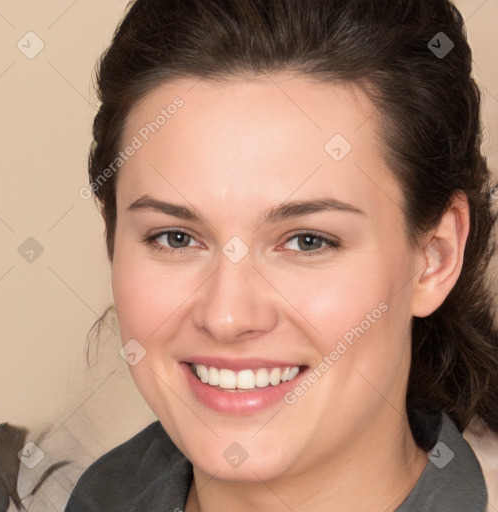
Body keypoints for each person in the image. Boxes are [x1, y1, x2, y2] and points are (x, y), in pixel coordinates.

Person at [64, 0, 498, 510]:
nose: (226, 316)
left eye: (307, 241)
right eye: (176, 238)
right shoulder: (99, 493)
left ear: (434, 257)